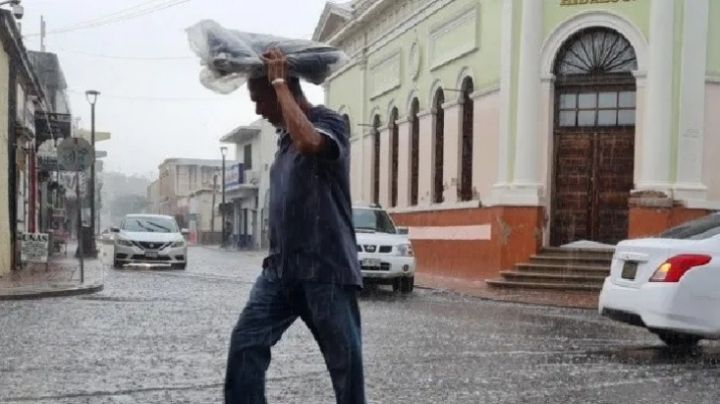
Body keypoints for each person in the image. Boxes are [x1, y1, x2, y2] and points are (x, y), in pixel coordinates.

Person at [224, 48, 366, 404]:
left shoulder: (330, 122)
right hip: (280, 272)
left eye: (260, 100)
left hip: (326, 271)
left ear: (280, 90)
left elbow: (309, 141)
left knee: (346, 367)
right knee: (245, 345)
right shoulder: (283, 140)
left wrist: (278, 81)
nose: (257, 110)